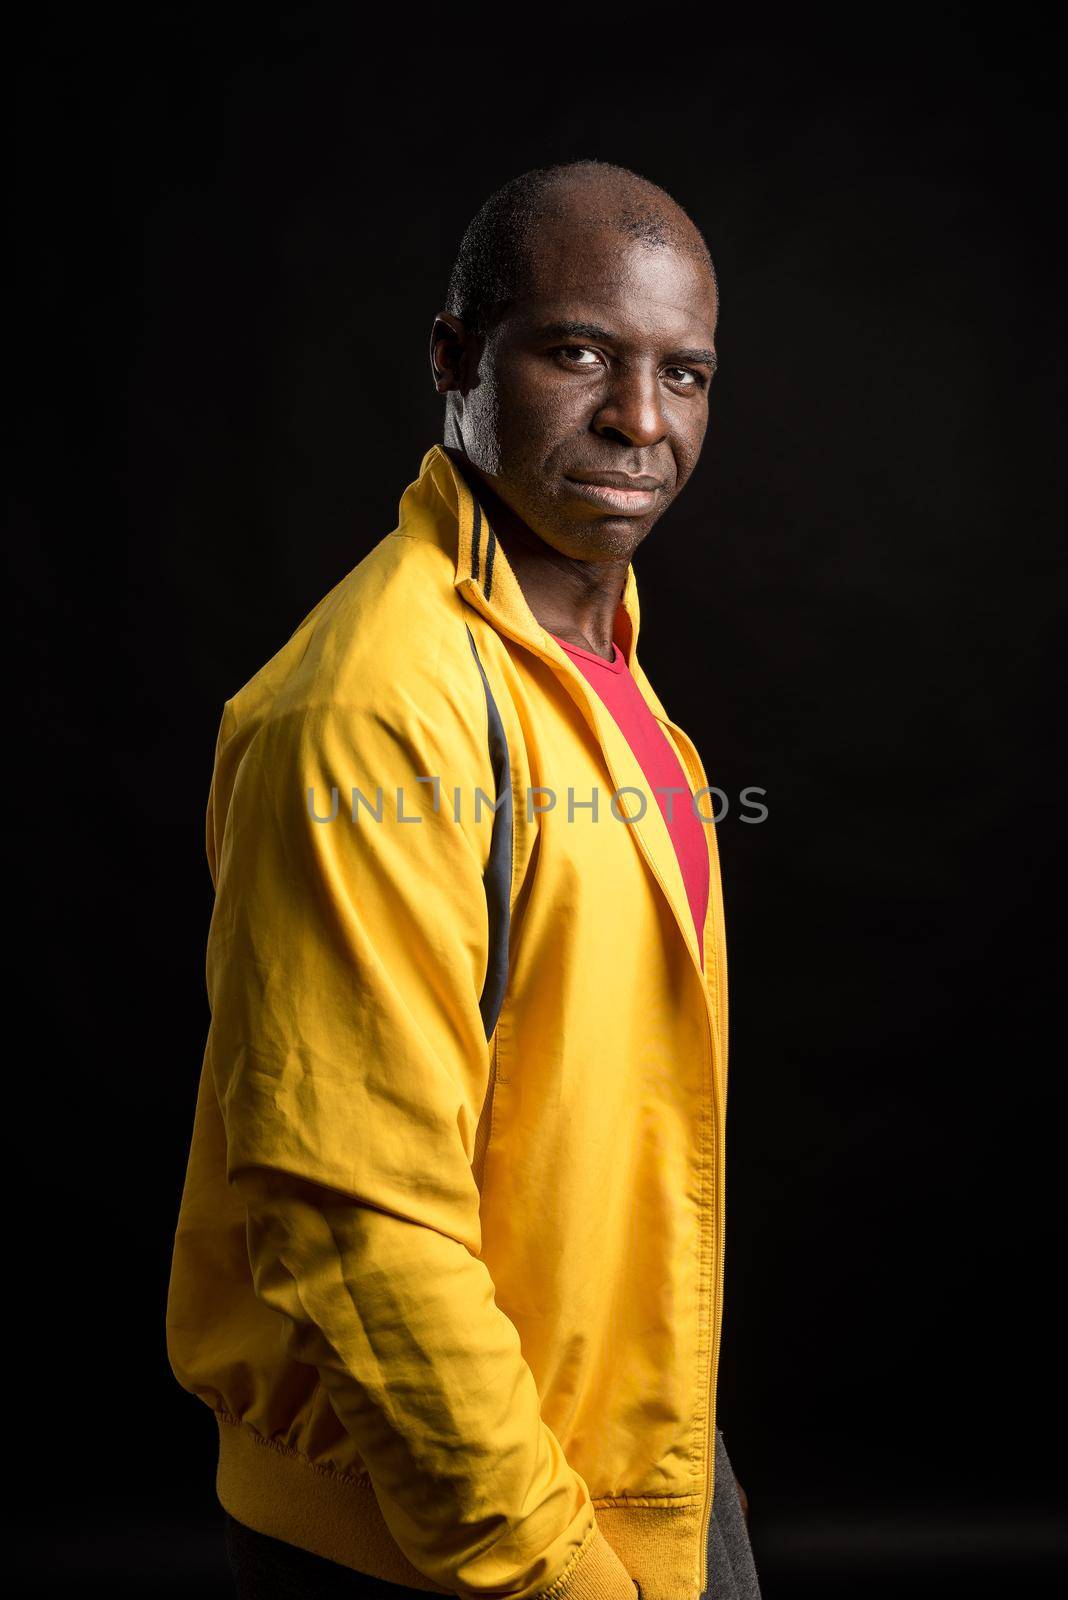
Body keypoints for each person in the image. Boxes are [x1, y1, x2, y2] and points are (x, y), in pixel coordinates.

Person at [166, 158, 762, 1600]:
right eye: (578, 353)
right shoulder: (374, 705)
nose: (640, 420)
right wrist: (553, 1564)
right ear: (454, 357)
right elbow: (354, 1225)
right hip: (449, 1529)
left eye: (683, 374)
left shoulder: (600, 668)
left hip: (632, 1453)